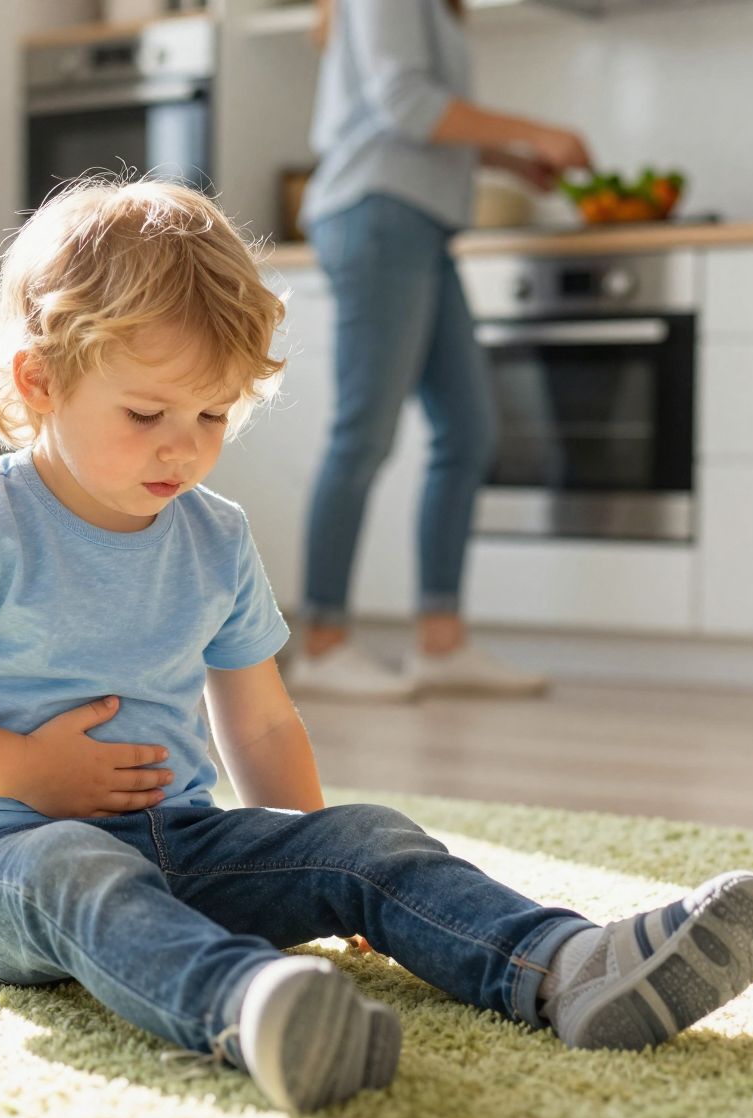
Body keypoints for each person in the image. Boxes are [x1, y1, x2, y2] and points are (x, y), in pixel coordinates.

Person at [0, 180, 753, 1114]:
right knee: (76, 866)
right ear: (41, 380)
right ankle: (250, 1010)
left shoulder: (215, 535)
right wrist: (25, 773)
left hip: (176, 841)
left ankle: (570, 968)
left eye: (213, 416)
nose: (181, 449)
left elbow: (262, 717)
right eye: (147, 414)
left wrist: (309, 862)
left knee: (366, 837)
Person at [286, 0, 598, 702]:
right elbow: (406, 104)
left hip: (419, 220)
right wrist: (539, 132)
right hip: (376, 214)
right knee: (362, 434)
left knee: (468, 430)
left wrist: (509, 160)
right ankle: (324, 643)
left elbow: (415, 115)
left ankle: (440, 641)